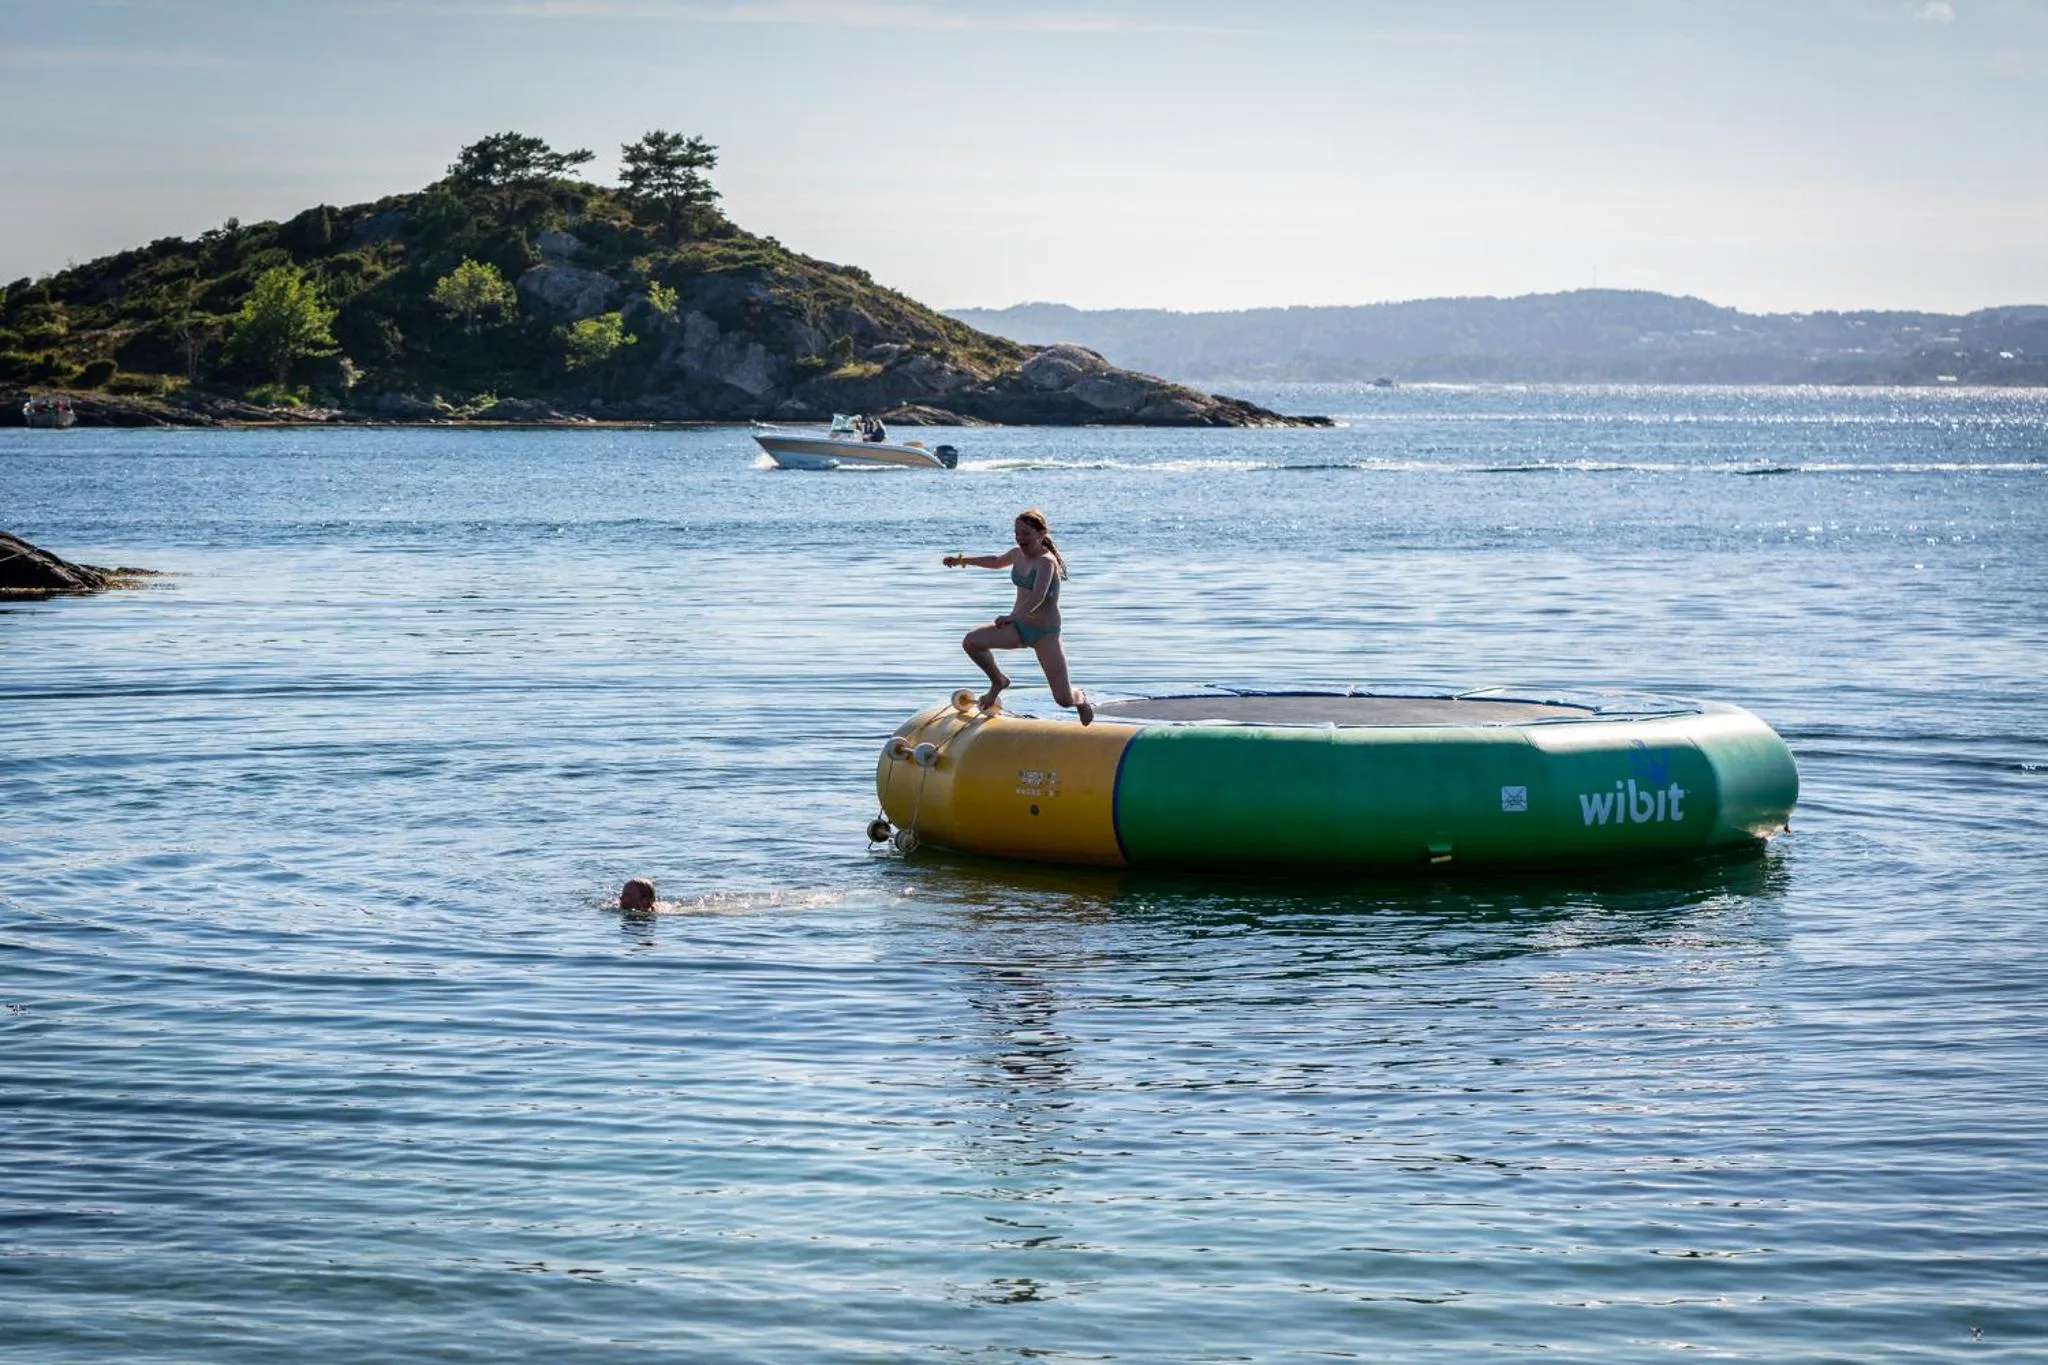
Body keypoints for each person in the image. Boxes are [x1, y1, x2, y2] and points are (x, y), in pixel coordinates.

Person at [943, 509, 1093, 724]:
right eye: (1017, 534)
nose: (1020, 539)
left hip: (1045, 634)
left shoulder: (1046, 562)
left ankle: (1081, 699)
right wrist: (961, 560)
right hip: (1018, 628)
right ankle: (998, 681)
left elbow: (1038, 596)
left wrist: (1012, 616)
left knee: (1063, 699)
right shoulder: (1016, 554)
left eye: (1025, 534)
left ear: (1041, 533)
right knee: (971, 642)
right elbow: (995, 561)